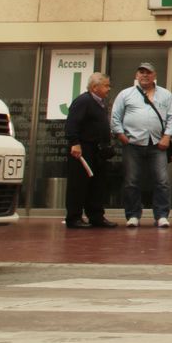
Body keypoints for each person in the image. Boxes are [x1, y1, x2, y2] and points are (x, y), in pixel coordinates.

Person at [110, 61, 172, 228]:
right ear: (136, 75)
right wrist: (120, 134)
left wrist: (167, 136)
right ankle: (133, 215)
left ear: (154, 76)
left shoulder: (165, 95)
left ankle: (161, 215)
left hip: (158, 144)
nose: (145, 75)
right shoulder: (126, 94)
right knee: (132, 181)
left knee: (162, 181)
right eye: (141, 72)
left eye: (148, 72)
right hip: (132, 143)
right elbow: (115, 116)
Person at [64, 72, 116, 228]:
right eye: (106, 85)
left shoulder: (100, 103)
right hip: (83, 149)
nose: (109, 89)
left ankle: (96, 216)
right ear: (95, 87)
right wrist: (75, 143)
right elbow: (72, 123)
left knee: (97, 184)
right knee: (78, 184)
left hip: (97, 151)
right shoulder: (83, 101)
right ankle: (74, 218)